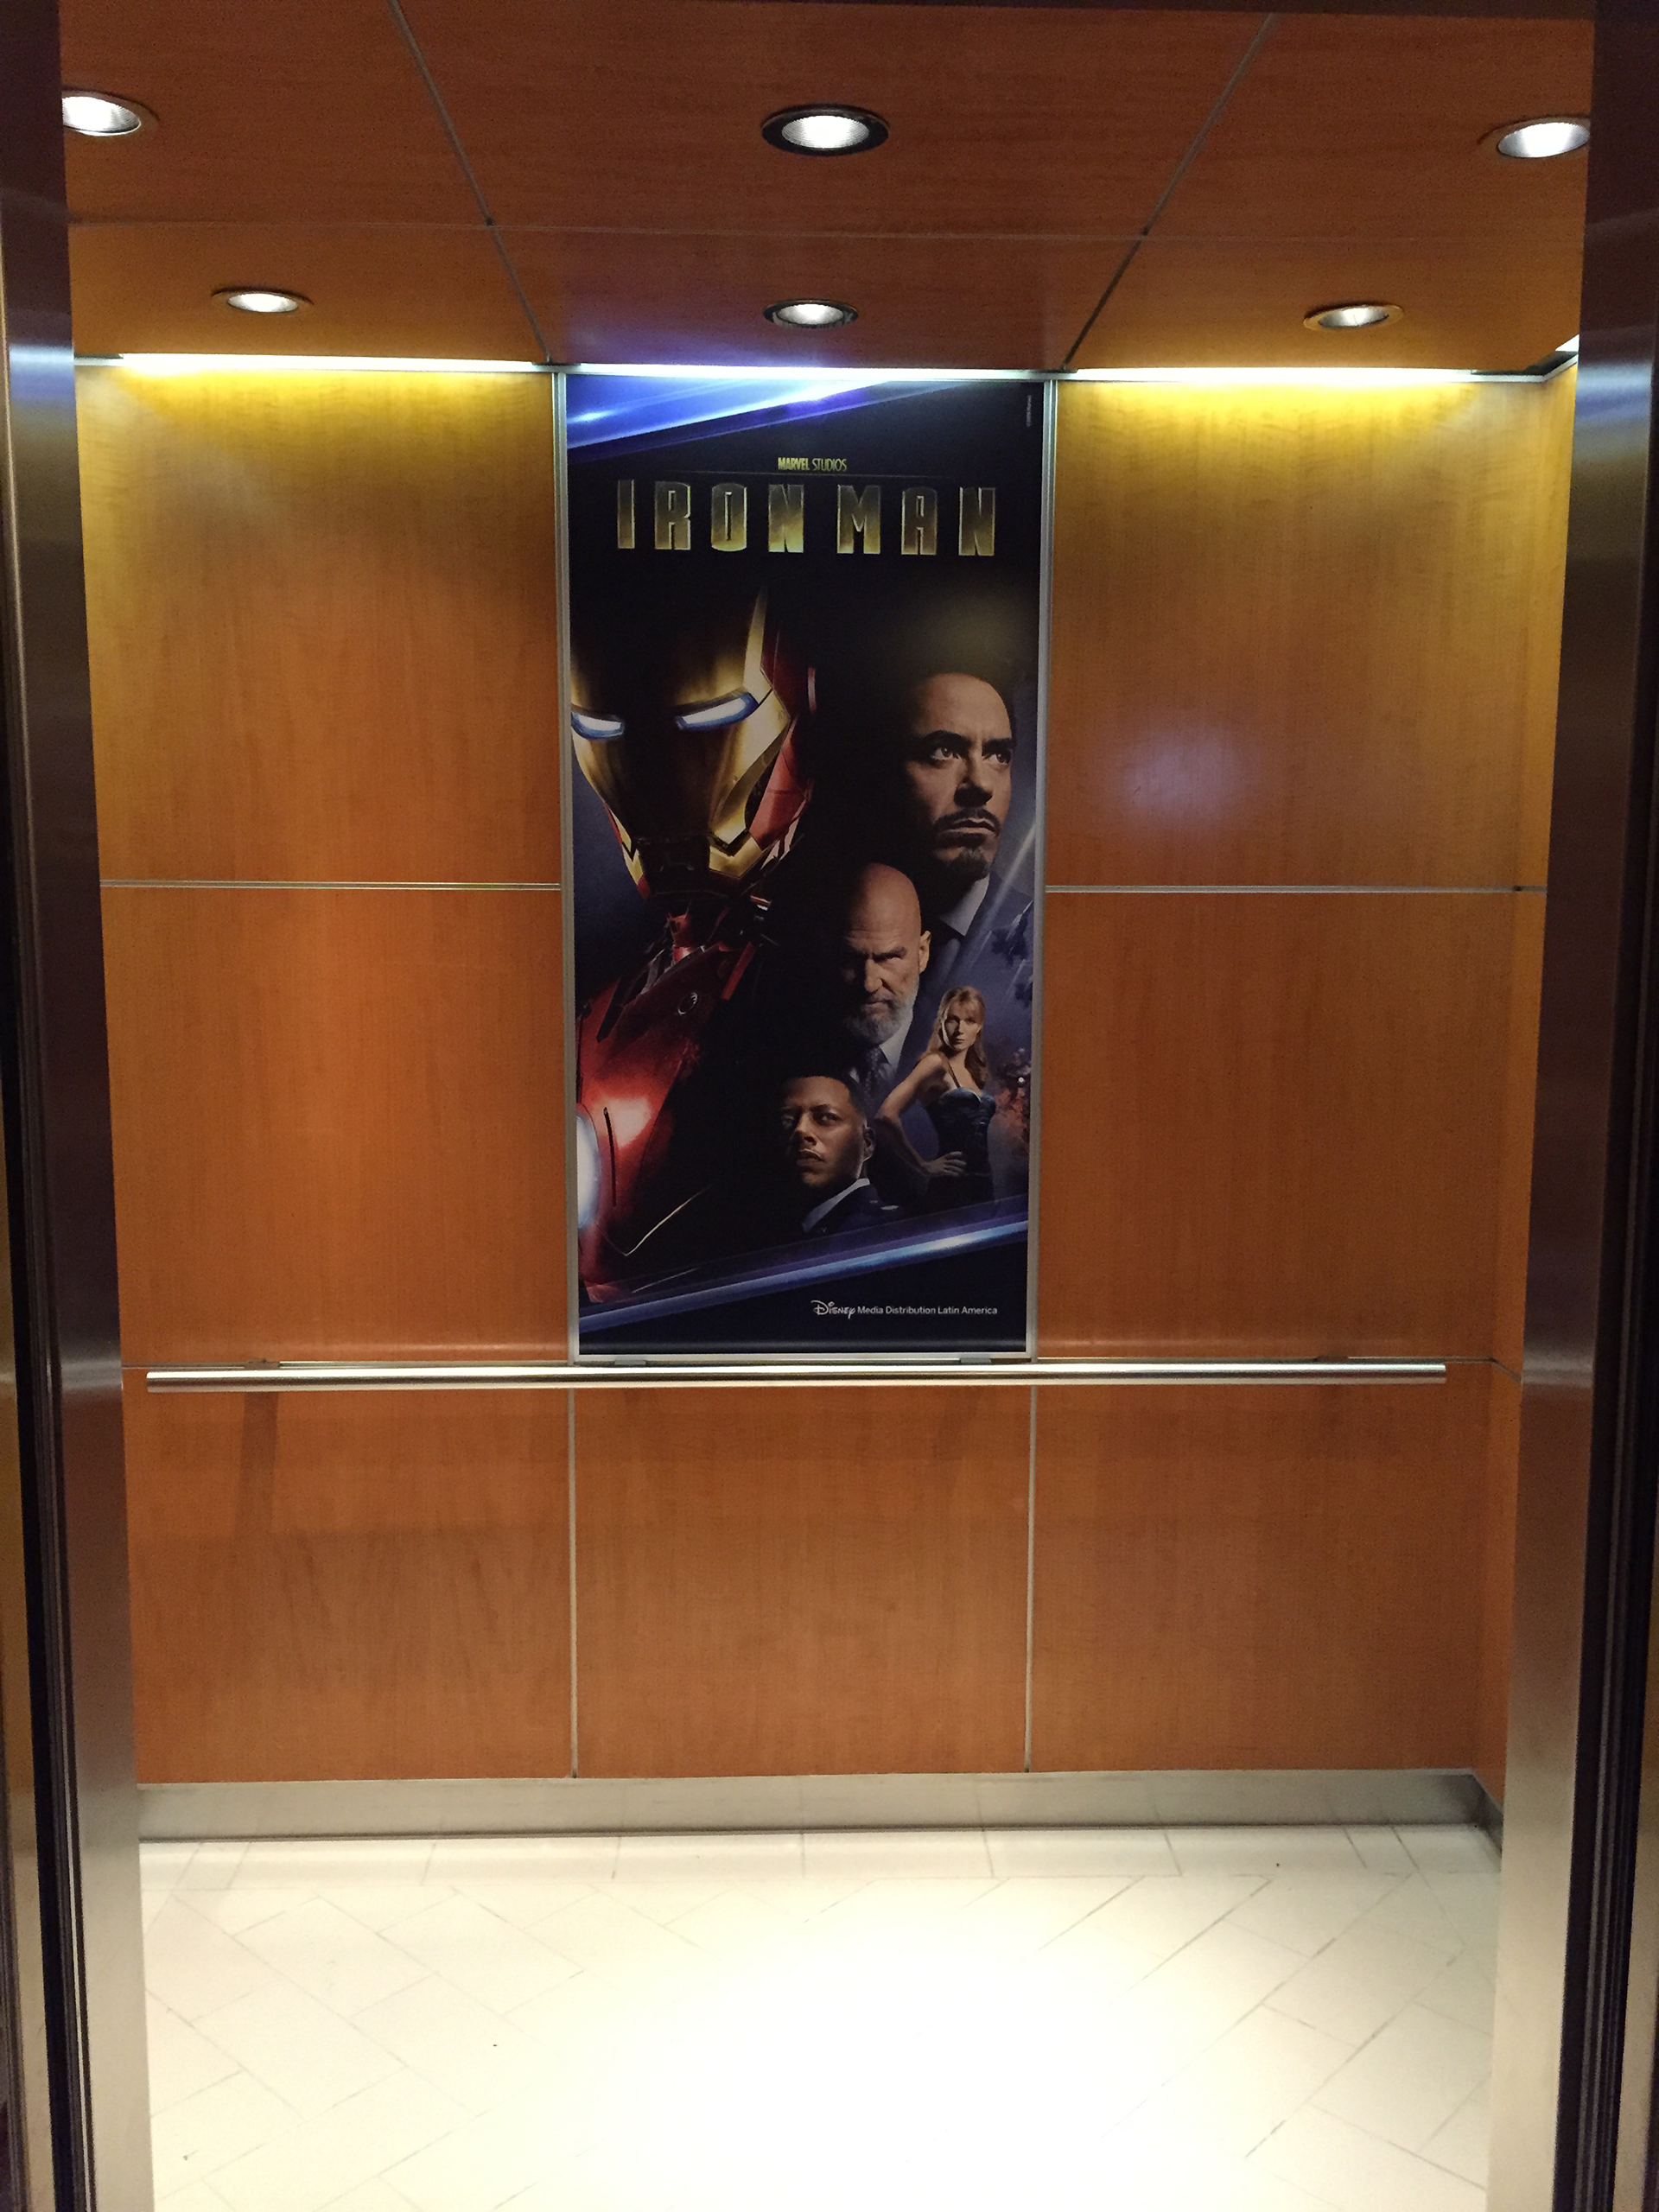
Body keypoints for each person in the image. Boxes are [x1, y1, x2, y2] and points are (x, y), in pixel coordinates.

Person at [818, 861, 931, 1101]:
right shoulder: (790, 1049)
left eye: (887, 958)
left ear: (922, 953)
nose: (869, 984)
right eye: (851, 959)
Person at [874, 987, 995, 1207]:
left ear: (979, 1027)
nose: (959, 1029)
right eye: (953, 1020)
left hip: (984, 1187)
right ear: (942, 1022)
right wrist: (923, 1166)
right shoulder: (935, 1063)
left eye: (969, 1021)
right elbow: (886, 1115)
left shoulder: (973, 1072)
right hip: (952, 1188)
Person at [776, 1075, 892, 1237]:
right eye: (786, 1121)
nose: (800, 1130)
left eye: (826, 1117)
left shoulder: (887, 1229)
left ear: (867, 1144)